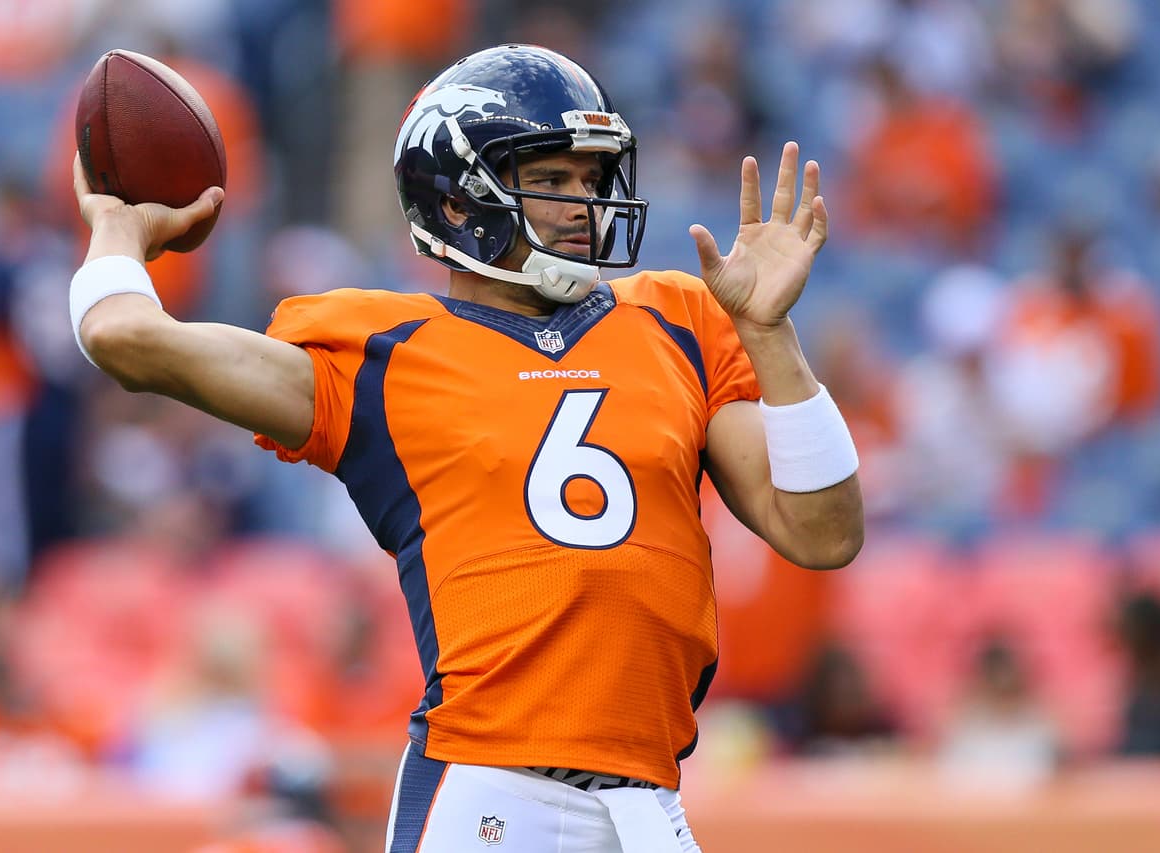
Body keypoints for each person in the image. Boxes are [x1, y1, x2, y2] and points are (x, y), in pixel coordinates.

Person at [68, 44, 863, 853]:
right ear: (455, 205)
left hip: (649, 800)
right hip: (490, 795)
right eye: (550, 180)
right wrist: (116, 230)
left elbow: (823, 532)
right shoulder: (381, 354)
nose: (582, 205)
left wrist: (770, 335)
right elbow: (124, 336)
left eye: (590, 180)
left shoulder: (678, 319)